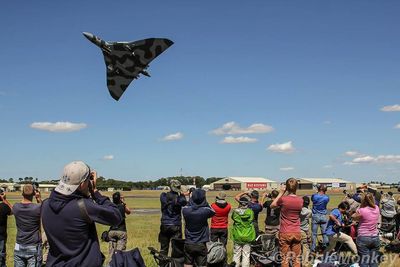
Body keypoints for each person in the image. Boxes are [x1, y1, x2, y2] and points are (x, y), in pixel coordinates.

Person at [41, 161, 122, 267]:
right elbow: (116, 216)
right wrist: (95, 192)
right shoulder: (83, 206)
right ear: (83, 184)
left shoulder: (45, 204)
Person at [271, 179, 303, 267]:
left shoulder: (283, 199)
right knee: (296, 259)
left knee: (284, 259)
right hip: (296, 231)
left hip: (285, 231)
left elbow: (272, 205)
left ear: (286, 188)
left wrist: (281, 192)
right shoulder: (300, 200)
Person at [182, 189, 215, 267]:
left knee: (188, 263)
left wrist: (191, 198)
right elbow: (213, 211)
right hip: (201, 242)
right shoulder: (205, 211)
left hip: (189, 242)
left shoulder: (186, 210)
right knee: (202, 264)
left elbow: (187, 204)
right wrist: (205, 201)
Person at [13, 184, 43, 267]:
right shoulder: (37, 208)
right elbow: (46, 211)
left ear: (22, 193)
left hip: (19, 245)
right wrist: (39, 198)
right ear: (34, 193)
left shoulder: (16, 207)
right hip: (33, 245)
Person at [159, 180, 187, 256]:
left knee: (163, 248)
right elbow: (184, 202)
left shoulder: (163, 196)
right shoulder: (179, 198)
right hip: (176, 224)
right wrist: (182, 194)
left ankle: (162, 264)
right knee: (176, 248)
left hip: (165, 224)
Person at [352, 192, 380, 267]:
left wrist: (360, 206)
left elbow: (353, 217)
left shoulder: (361, 210)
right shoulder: (377, 208)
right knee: (374, 260)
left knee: (364, 260)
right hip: (375, 237)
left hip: (363, 237)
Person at [231, 196, 256, 267]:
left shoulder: (235, 212)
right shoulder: (250, 212)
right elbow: (251, 219)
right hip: (248, 235)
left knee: (236, 253)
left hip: (237, 235)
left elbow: (233, 218)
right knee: (246, 254)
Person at [108, 192, 131, 256]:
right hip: (121, 230)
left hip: (111, 231)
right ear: (119, 199)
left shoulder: (110, 207)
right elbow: (129, 212)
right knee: (120, 254)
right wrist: (123, 202)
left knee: (111, 253)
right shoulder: (122, 206)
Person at [311, 184, 330, 252]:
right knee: (324, 233)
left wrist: (317, 191)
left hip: (316, 215)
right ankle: (325, 246)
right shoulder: (327, 197)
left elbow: (313, 199)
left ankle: (313, 248)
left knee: (314, 233)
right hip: (324, 216)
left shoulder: (314, 196)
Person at [0, 189, 13, 267]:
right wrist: (4, 199)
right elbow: (12, 210)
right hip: (1, 236)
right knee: (1, 255)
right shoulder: (3, 207)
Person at [300, 196, 312, 265]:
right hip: (304, 230)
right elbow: (309, 217)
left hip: (296, 230)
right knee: (306, 247)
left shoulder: (298, 210)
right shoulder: (309, 211)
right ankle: (305, 262)